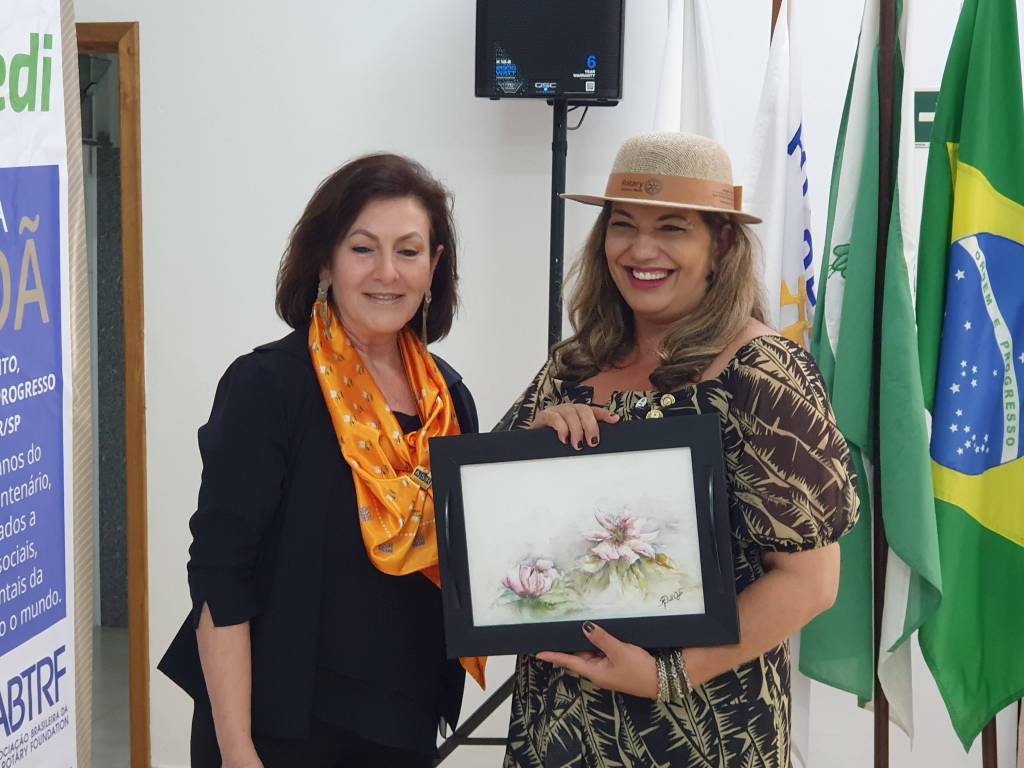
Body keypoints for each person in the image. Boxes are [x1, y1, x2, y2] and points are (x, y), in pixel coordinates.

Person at [497, 132, 859, 767]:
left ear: (721, 245)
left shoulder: (761, 370)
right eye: (623, 224)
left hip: (703, 725)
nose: (641, 250)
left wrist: (667, 675)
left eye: (671, 228)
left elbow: (811, 582)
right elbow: (491, 518)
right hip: (560, 719)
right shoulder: (575, 364)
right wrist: (538, 444)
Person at [158, 153, 485, 768]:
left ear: (434, 266)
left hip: (402, 720)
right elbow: (221, 576)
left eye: (409, 251)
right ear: (325, 261)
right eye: (363, 248)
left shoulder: (448, 399)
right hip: (279, 727)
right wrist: (237, 751)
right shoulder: (267, 387)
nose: (386, 272)